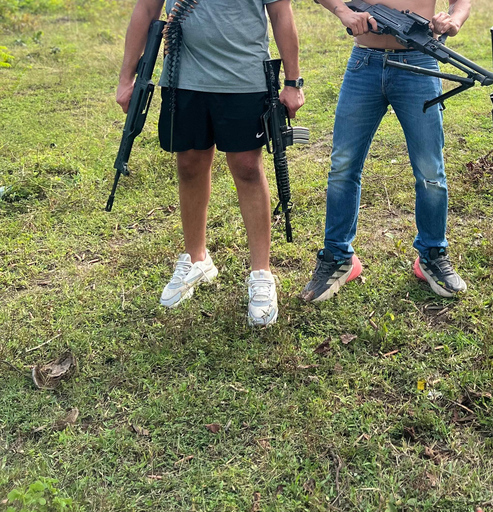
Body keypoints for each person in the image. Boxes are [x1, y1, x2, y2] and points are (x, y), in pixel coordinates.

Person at [116, 0, 304, 326]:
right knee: (189, 163)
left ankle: (261, 272)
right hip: (182, 78)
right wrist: (126, 78)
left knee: (247, 166)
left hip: (244, 77)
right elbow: (145, 9)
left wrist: (292, 81)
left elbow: (280, 12)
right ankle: (196, 259)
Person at [300, 0, 471, 303]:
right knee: (343, 166)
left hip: (419, 61)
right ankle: (338, 257)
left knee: (430, 170)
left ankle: (432, 254)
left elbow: (462, 2)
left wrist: (453, 20)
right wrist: (343, 11)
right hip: (364, 63)